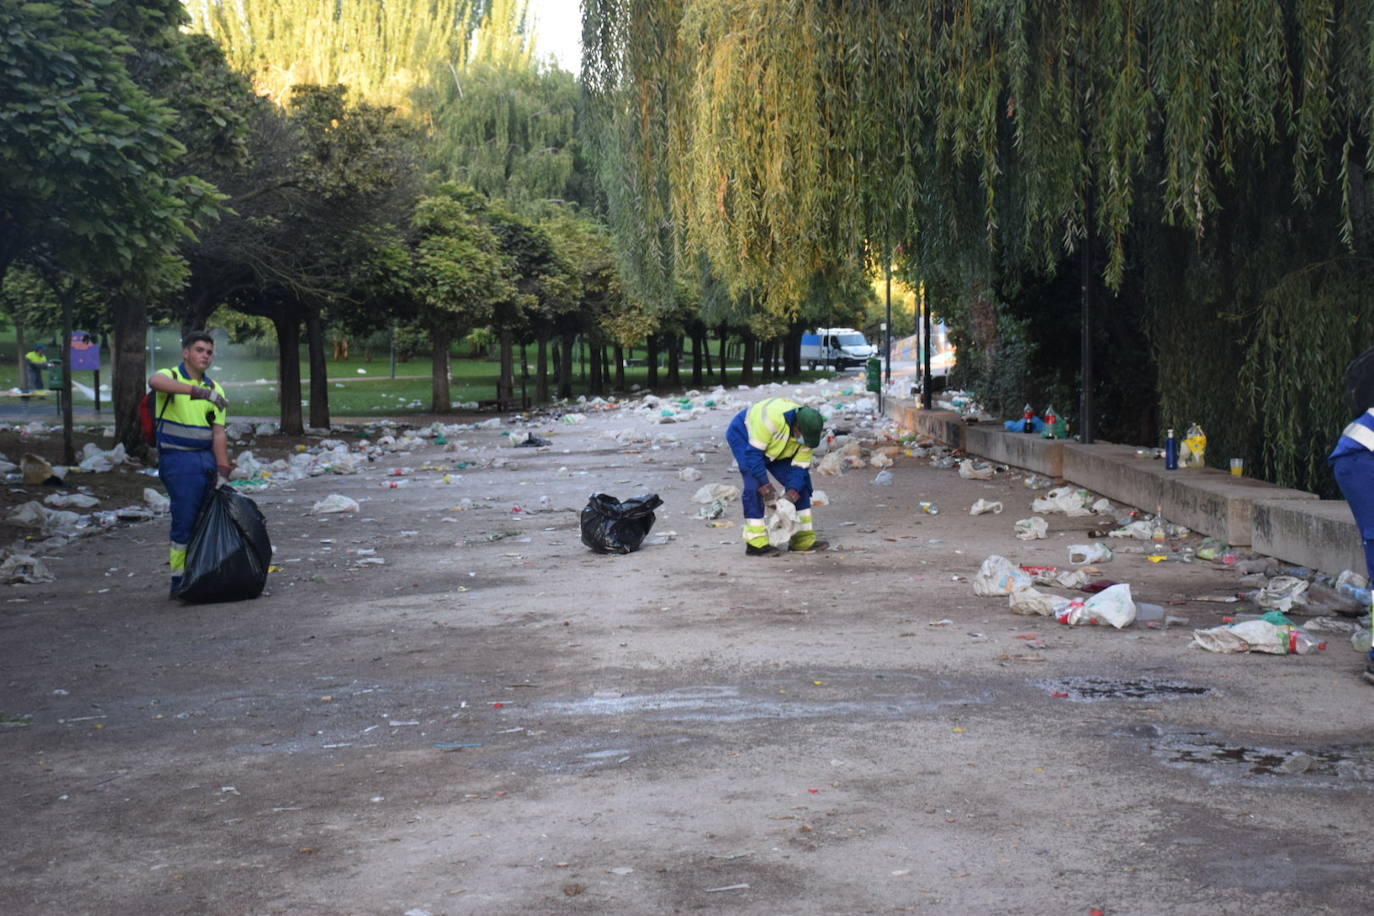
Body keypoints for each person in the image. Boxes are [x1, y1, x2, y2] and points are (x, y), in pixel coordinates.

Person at [149, 332, 230, 596]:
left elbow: (218, 432)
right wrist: (198, 391)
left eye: (209, 351)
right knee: (185, 520)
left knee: (205, 519)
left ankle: (202, 572)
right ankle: (179, 579)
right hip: (178, 458)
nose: (205, 355)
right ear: (185, 353)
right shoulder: (171, 376)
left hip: (205, 458)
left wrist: (223, 468)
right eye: (199, 350)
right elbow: (154, 381)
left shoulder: (216, 390)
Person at [726, 397, 827, 556]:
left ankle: (802, 540)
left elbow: (800, 468)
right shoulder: (770, 420)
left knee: (802, 485)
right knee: (754, 486)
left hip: (778, 446)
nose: (805, 443)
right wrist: (766, 487)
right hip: (744, 435)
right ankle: (756, 544)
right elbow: (753, 456)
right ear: (796, 427)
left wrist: (791, 493)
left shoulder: (809, 430)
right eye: (803, 438)